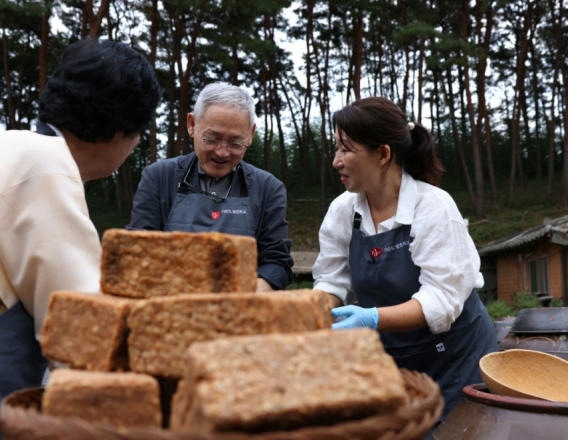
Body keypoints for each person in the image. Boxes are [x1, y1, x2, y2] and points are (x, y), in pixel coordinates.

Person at [0, 38, 161, 439]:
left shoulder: (8, 152)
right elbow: (83, 327)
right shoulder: (41, 162)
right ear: (118, 130)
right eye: (139, 132)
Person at [313, 97, 497, 428]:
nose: (336, 161)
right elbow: (331, 279)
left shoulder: (434, 208)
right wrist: (318, 313)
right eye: (336, 148)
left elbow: (441, 299)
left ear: (382, 154)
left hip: (456, 359)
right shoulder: (343, 212)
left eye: (346, 149)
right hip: (395, 361)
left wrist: (370, 318)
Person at [128, 82, 293, 291]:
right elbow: (136, 253)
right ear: (191, 125)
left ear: (251, 134)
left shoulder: (268, 188)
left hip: (238, 312)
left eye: (235, 143)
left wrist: (246, 297)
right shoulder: (159, 178)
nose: (222, 152)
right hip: (168, 307)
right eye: (212, 139)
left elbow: (277, 264)